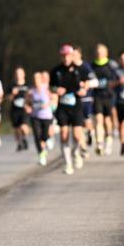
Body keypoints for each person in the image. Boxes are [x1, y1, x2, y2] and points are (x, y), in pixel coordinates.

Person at [50, 44, 89, 175]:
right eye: (64, 56)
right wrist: (56, 90)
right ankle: (68, 164)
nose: (66, 58)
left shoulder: (80, 69)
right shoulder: (56, 71)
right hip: (62, 106)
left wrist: (84, 89)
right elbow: (51, 87)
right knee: (64, 135)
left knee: (78, 135)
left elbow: (90, 82)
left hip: (76, 105)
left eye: (68, 55)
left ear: (72, 56)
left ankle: (76, 153)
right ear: (61, 56)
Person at [91, 43, 118, 156]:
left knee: (107, 121)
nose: (99, 54)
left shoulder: (112, 65)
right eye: (97, 52)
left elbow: (118, 79)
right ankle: (99, 144)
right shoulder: (91, 66)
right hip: (96, 95)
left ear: (106, 53)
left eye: (101, 52)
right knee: (98, 120)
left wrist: (112, 83)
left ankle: (109, 141)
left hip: (108, 95)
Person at [73, 47, 97, 153]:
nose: (72, 56)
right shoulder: (70, 67)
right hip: (74, 100)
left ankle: (90, 133)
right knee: (78, 124)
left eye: (74, 54)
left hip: (86, 98)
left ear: (79, 55)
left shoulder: (86, 67)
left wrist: (87, 84)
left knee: (87, 121)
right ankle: (82, 147)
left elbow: (95, 82)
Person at [28, 71, 54, 166]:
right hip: (35, 116)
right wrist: (28, 107)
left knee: (44, 135)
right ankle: (41, 155)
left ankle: (47, 140)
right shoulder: (31, 91)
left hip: (46, 116)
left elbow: (54, 99)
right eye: (34, 79)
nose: (36, 81)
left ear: (41, 80)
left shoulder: (46, 89)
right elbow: (27, 103)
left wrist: (47, 104)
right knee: (37, 136)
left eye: (38, 79)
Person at [9, 67, 31, 151]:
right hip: (15, 110)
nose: (18, 75)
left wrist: (30, 106)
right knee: (17, 129)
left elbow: (32, 97)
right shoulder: (12, 86)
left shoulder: (28, 85)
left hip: (24, 110)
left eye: (20, 73)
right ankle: (19, 143)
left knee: (24, 127)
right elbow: (8, 98)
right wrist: (12, 94)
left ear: (24, 74)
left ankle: (24, 138)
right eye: (17, 74)